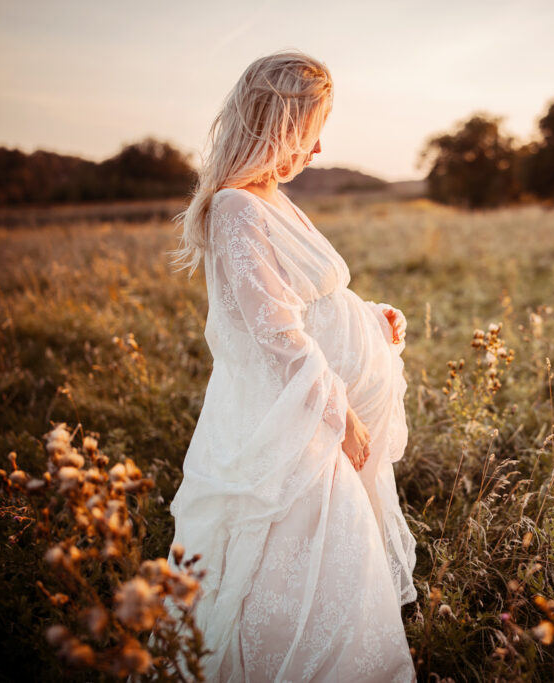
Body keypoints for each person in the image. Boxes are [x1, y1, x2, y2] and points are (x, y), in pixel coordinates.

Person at [167, 50, 417, 682]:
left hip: (317, 406)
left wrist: (371, 317)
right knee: (294, 561)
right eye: (312, 130)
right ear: (280, 125)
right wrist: (342, 419)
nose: (320, 148)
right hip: (297, 420)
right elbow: (278, 335)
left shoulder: (273, 201)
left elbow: (312, 300)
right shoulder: (235, 208)